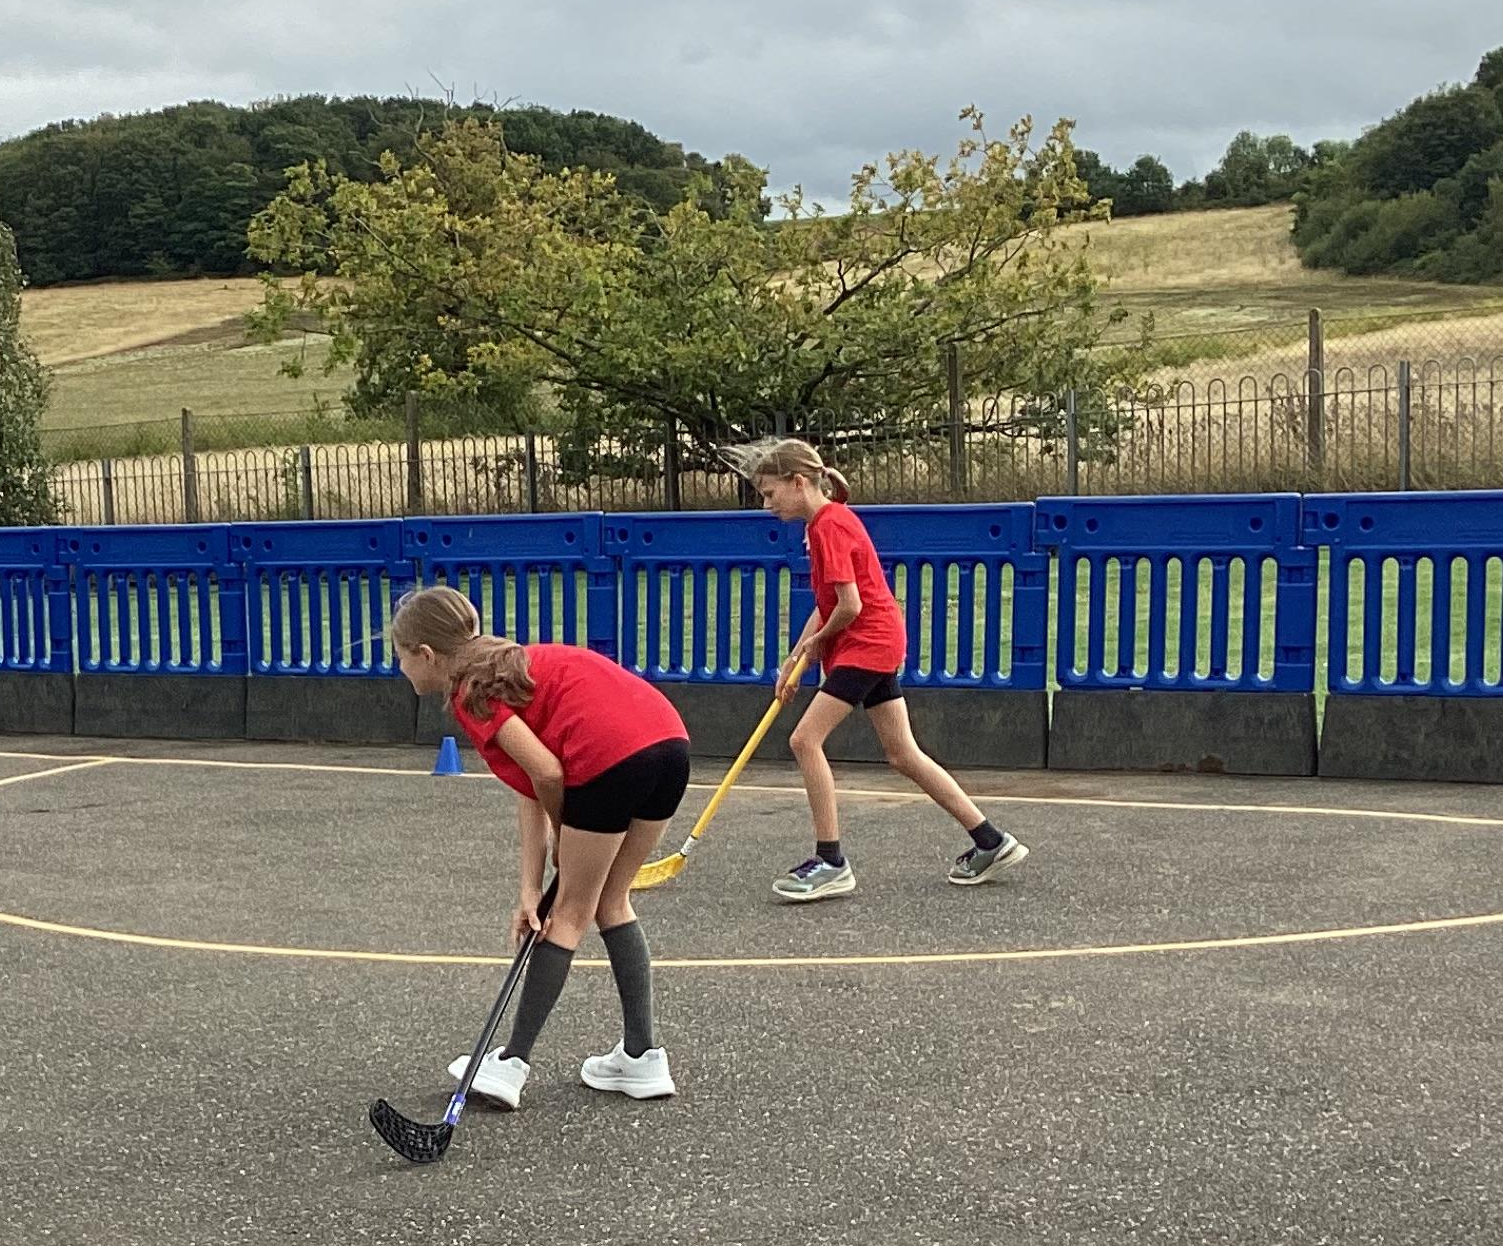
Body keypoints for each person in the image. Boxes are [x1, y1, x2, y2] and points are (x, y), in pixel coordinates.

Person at [390, 584, 692, 1106]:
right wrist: (529, 888)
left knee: (568, 914)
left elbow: (549, 774)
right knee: (611, 900)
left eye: (400, 657)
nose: (400, 669)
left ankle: (510, 1063)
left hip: (609, 757)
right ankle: (642, 1058)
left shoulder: (471, 694)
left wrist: (564, 829)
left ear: (426, 654)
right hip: (669, 747)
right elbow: (532, 784)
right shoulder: (506, 667)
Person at [745, 438, 1028, 898]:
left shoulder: (830, 526)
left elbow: (850, 606)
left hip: (867, 643)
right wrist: (796, 657)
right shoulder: (824, 524)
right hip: (874, 641)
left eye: (770, 493)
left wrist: (817, 643)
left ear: (798, 482)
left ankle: (831, 861)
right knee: (902, 753)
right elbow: (828, 603)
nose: (766, 505)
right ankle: (991, 841)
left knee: (804, 739)